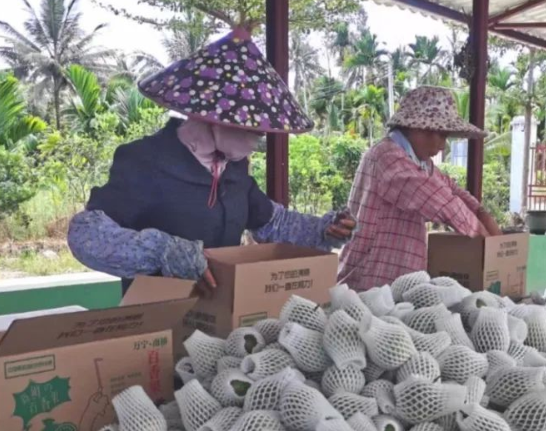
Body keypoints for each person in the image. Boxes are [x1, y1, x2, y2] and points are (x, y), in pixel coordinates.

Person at [68, 29, 355, 295]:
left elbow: (272, 222)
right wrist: (163, 251)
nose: (255, 142)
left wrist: (321, 230)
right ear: (211, 119)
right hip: (157, 318)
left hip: (218, 315)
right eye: (249, 130)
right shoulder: (145, 160)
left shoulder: (234, 170)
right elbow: (87, 234)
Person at [338, 86, 502, 291]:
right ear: (418, 129)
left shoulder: (420, 163)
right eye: (442, 136)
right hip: (369, 283)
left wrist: (481, 213)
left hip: (399, 286)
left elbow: (451, 189)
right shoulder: (387, 157)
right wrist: (487, 243)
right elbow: (439, 200)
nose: (443, 146)